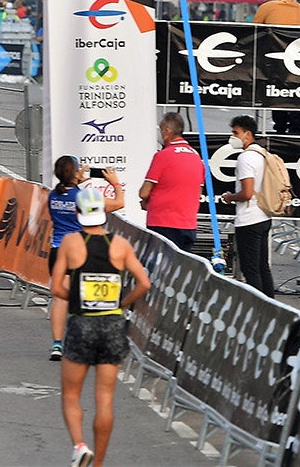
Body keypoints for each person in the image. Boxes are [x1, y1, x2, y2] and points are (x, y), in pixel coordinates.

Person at [51, 187, 150, 467]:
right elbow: (144, 283)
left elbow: (56, 286)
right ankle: (99, 464)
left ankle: (80, 445)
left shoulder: (71, 242)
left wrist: (76, 299)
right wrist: (123, 303)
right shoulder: (120, 245)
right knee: (104, 398)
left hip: (82, 323)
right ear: (104, 212)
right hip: (112, 324)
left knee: (71, 395)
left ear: (77, 212)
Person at [47, 156, 125, 361]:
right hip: (79, 250)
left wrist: (76, 181)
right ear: (74, 173)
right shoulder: (85, 198)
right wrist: (115, 183)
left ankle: (57, 344)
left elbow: (68, 193)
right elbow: (119, 203)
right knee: (88, 296)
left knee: (59, 299)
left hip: (57, 249)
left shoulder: (53, 195)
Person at [220, 115, 274, 297]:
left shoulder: (246, 158)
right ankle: (272, 306)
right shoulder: (263, 154)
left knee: (250, 269)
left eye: (236, 133)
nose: (232, 137)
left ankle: (258, 309)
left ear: (247, 134)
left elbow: (247, 193)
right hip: (264, 216)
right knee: (262, 266)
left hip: (249, 219)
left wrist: (230, 197)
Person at [138, 112, 204, 251]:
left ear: (167, 131)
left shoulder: (163, 156)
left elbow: (144, 193)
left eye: (161, 130)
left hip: (162, 222)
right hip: (188, 223)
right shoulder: (196, 157)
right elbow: (198, 192)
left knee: (158, 269)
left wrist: (148, 202)